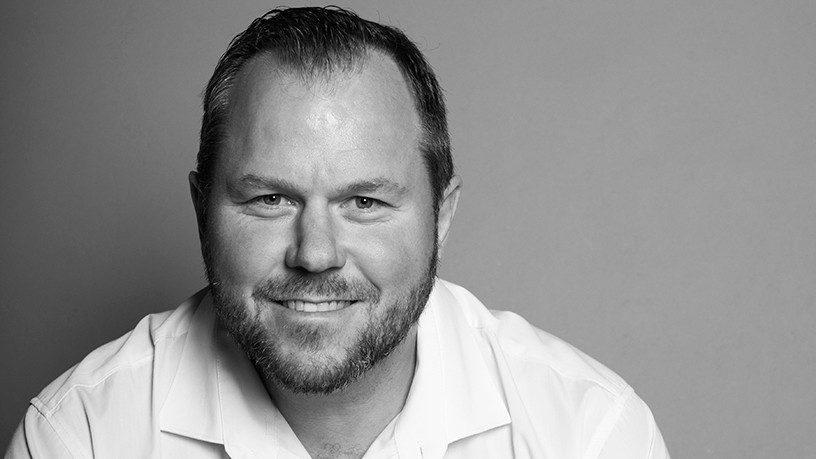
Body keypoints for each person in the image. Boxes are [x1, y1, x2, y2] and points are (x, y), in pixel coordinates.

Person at [5, 6, 669, 458]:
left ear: (441, 217)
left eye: (365, 202)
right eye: (269, 198)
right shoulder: (80, 436)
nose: (316, 253)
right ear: (202, 209)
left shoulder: (589, 434)